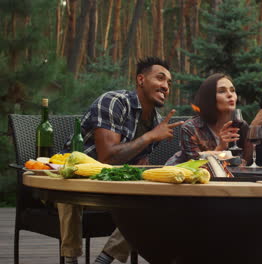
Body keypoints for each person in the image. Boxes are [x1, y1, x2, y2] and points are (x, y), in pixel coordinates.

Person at [58, 56, 184, 264]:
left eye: (169, 83)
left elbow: (138, 165)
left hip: (112, 188)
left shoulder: (157, 122)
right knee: (69, 192)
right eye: (160, 78)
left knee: (155, 200)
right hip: (74, 181)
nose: (165, 86)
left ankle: (104, 259)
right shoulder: (114, 101)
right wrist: (150, 136)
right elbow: (106, 157)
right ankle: (71, 259)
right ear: (141, 79)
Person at [166, 73, 251, 165]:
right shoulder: (191, 128)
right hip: (182, 175)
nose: (230, 95)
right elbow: (197, 165)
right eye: (222, 91)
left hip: (228, 177)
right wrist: (220, 148)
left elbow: (247, 162)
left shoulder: (241, 126)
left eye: (232, 90)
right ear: (209, 97)